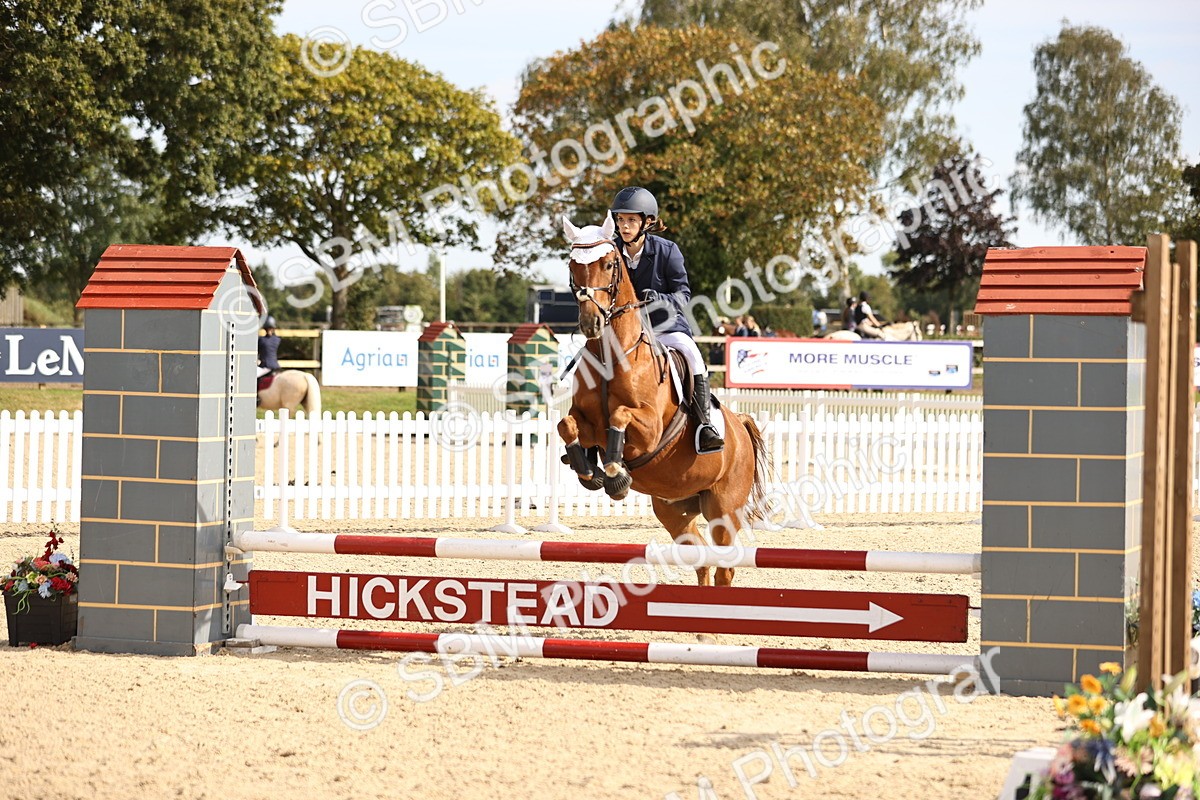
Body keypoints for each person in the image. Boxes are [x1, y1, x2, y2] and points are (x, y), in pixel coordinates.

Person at [609, 186, 724, 454]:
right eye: (620, 220)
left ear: (647, 222)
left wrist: (658, 298)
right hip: (627, 332)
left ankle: (704, 425)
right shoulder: (612, 252)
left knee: (692, 355)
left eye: (631, 221)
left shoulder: (667, 250)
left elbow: (683, 295)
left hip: (665, 326)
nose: (624, 227)